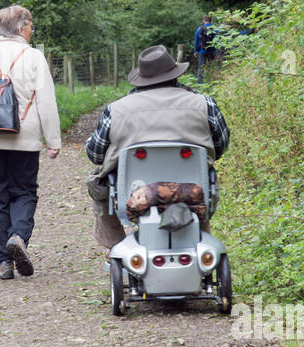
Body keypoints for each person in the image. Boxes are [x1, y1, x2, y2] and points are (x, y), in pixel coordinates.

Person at [85, 44, 230, 247]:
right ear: (175, 75)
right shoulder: (205, 104)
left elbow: (95, 154)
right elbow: (221, 145)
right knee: (207, 175)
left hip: (135, 193)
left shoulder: (116, 109)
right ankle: (200, 240)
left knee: (97, 182)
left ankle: (114, 246)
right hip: (191, 190)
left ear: (143, 79)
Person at [0, 5, 63, 279]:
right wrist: (52, 140)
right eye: (30, 27)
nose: (32, 31)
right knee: (25, 192)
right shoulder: (34, 57)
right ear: (20, 28)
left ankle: (3, 264)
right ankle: (18, 236)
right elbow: (46, 102)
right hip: (25, 140)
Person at [193, 15, 218, 83]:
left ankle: (200, 83)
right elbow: (217, 41)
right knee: (211, 67)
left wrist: (195, 51)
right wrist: (217, 52)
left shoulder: (200, 29)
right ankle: (211, 82)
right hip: (212, 51)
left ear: (204, 20)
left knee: (201, 68)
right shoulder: (215, 28)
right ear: (211, 20)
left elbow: (197, 41)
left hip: (202, 51)